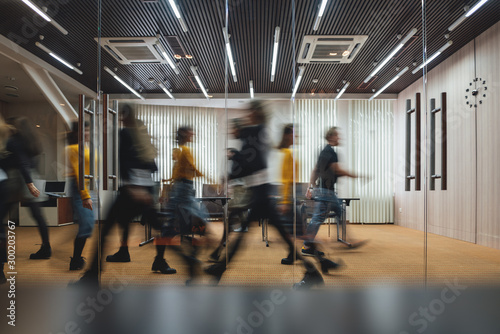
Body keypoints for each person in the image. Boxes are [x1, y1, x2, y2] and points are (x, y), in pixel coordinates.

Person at [205, 101, 338, 289]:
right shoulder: (259, 133)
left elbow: (251, 163)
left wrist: (232, 164)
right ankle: (313, 269)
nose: (247, 115)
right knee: (282, 235)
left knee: (257, 234)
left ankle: (221, 268)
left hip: (262, 194)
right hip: (261, 193)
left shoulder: (257, 132)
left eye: (250, 111)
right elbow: (250, 163)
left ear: (256, 113)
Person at [76, 105, 175, 285]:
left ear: (126, 116)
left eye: (122, 115)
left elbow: (123, 163)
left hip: (132, 191)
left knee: (106, 229)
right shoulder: (143, 139)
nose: (120, 118)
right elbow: (154, 167)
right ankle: (157, 260)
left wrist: (132, 186)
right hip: (145, 189)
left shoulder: (125, 133)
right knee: (156, 227)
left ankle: (92, 275)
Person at [154, 126, 208, 284]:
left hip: (184, 190)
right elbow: (193, 170)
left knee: (180, 226)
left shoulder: (182, 151)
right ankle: (189, 261)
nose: (194, 133)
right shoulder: (184, 150)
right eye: (191, 131)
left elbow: (177, 174)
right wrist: (209, 177)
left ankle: (163, 260)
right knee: (191, 225)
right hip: (183, 191)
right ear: (185, 134)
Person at [303, 126, 365, 255]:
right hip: (327, 191)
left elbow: (315, 170)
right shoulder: (331, 152)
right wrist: (356, 176)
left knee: (339, 212)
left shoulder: (323, 151)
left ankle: (347, 240)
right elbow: (337, 170)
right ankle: (307, 246)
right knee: (318, 218)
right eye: (337, 135)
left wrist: (310, 187)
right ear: (331, 137)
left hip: (324, 190)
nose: (339, 137)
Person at [4, 117, 52, 259]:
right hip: (32, 175)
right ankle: (46, 248)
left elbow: (22, 163)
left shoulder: (14, 141)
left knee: (4, 213)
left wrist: (29, 184)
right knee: (38, 216)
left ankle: (3, 256)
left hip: (18, 178)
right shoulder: (31, 140)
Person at [66, 121, 95, 271]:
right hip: (79, 188)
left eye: (88, 131)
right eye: (84, 131)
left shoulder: (86, 147)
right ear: (77, 133)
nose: (87, 134)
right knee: (87, 225)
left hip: (88, 187)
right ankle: (75, 260)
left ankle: (76, 259)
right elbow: (79, 173)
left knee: (88, 225)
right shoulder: (73, 148)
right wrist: (85, 196)